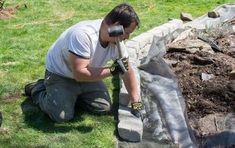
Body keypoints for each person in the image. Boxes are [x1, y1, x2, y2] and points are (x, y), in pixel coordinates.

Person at [24, 3, 143, 123]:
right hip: (61, 74)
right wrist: (113, 70)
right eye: (127, 32)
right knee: (61, 117)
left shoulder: (116, 41)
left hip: (86, 74)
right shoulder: (83, 35)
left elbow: (127, 71)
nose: (127, 37)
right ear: (117, 26)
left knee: (103, 107)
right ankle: (38, 88)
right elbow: (79, 74)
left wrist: (136, 104)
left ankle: (70, 96)